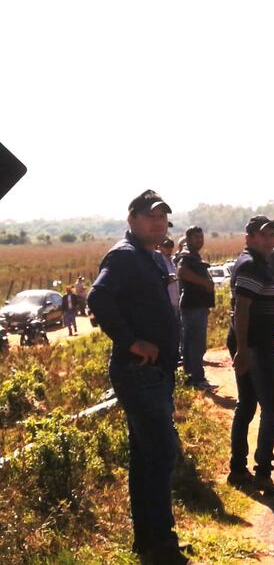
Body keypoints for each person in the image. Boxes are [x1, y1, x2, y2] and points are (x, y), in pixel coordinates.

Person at [88, 190, 188, 564]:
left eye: (163, 217)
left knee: (147, 457)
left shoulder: (149, 257)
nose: (158, 223)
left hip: (154, 372)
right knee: (161, 454)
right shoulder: (125, 256)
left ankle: (152, 540)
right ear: (132, 219)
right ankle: (159, 540)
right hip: (139, 371)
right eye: (151, 217)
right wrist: (132, 342)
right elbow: (98, 298)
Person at [226, 216, 274, 496]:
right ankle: (262, 473)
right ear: (248, 237)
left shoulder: (258, 262)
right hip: (256, 346)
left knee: (247, 405)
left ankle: (238, 469)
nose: (270, 239)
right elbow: (242, 309)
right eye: (263, 234)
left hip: (252, 344)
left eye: (272, 233)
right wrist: (244, 349)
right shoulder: (250, 264)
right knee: (271, 408)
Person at [176, 226, 216, 389]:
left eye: (201, 237)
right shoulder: (186, 255)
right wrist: (204, 282)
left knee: (190, 342)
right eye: (196, 237)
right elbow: (181, 271)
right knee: (196, 344)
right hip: (193, 305)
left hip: (196, 304)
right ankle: (198, 378)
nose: (199, 240)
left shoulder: (193, 256)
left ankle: (191, 377)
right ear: (188, 239)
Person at [156, 237, 181, 323]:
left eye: (171, 246)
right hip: (166, 302)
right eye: (166, 246)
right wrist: (166, 279)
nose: (169, 249)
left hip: (175, 301)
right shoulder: (158, 261)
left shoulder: (172, 262)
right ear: (159, 247)